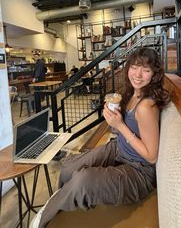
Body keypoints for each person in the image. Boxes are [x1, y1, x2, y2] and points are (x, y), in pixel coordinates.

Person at [34, 47, 169, 228]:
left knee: (83, 181)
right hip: (119, 148)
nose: (138, 74)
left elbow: (151, 156)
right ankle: (63, 201)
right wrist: (113, 117)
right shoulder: (132, 94)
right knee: (68, 167)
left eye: (146, 70)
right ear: (128, 67)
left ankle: (44, 219)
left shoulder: (146, 107)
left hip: (139, 171)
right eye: (135, 67)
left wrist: (119, 125)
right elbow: (127, 128)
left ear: (154, 74)